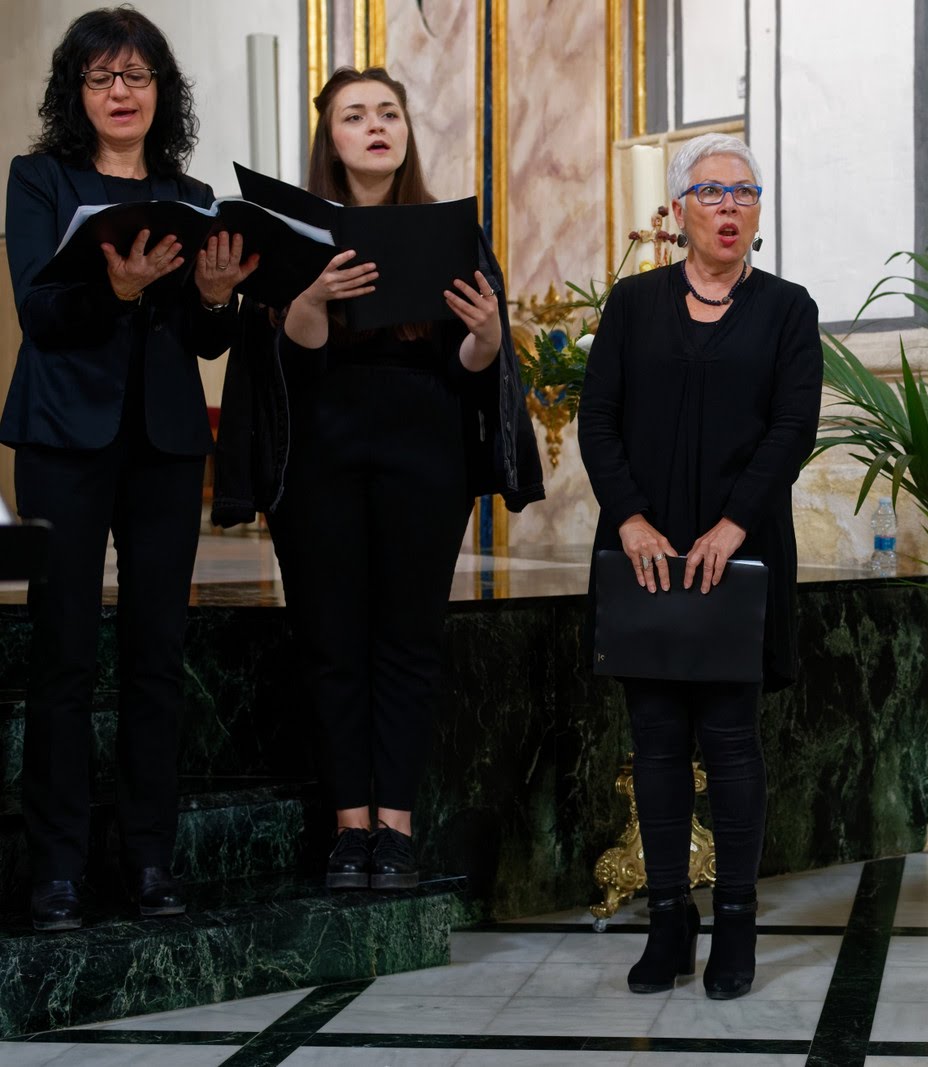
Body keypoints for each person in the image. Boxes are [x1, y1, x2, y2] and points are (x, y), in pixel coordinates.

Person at [241, 67, 542, 892]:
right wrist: (310, 299)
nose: (376, 126)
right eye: (355, 115)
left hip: (424, 454)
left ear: (406, 131)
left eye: (389, 113)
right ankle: (348, 830)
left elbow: (475, 364)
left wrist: (485, 334)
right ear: (328, 137)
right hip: (322, 455)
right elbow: (285, 359)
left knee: (408, 641)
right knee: (332, 640)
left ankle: (398, 827)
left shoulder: (448, 230)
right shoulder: (294, 232)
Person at [1, 6, 254, 930]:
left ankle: (150, 859)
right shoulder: (40, 180)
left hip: (164, 443)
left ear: (161, 94)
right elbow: (41, 313)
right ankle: (58, 869)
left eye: (138, 77)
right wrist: (112, 289)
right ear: (78, 93)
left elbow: (200, 335)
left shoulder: (187, 195)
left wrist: (218, 301)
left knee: (158, 658)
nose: (121, 92)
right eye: (103, 78)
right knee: (64, 656)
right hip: (63, 437)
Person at [578, 132, 822, 999]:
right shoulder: (634, 302)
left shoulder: (789, 308)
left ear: (759, 211)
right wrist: (634, 521)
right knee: (653, 742)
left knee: (731, 741)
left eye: (745, 193)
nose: (729, 207)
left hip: (739, 556)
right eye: (712, 192)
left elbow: (793, 428)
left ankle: (739, 924)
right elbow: (596, 419)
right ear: (679, 210)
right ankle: (669, 918)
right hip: (643, 555)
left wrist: (732, 525)